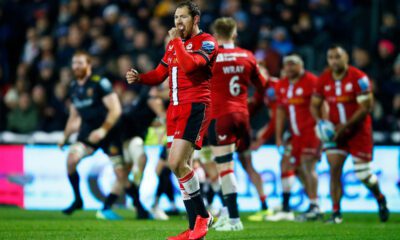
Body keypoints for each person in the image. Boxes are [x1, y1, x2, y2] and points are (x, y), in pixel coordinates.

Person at [126, 2, 218, 239]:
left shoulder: (207, 42)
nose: (178, 22)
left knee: (177, 162)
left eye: (183, 17)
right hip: (174, 110)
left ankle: (203, 216)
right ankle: (192, 229)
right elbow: (160, 73)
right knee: (180, 168)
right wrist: (140, 78)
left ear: (195, 18)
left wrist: (176, 41)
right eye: (176, 17)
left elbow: (190, 67)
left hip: (195, 106)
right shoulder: (174, 44)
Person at [59, 51, 149, 220]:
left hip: (109, 135)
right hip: (88, 135)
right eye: (74, 63)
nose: (76, 66)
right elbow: (74, 116)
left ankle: (139, 206)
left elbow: (116, 109)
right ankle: (78, 200)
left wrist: (103, 130)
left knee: (121, 175)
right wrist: (64, 137)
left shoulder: (101, 83)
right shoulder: (73, 87)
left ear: (89, 65)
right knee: (71, 161)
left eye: (80, 63)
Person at [310, 45, 390, 223]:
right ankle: (336, 213)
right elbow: (314, 104)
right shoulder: (323, 79)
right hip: (335, 133)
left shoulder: (359, 78)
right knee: (334, 170)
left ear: (346, 58)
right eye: (330, 57)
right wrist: (320, 122)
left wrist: (345, 126)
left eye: (337, 57)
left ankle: (380, 198)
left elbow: (366, 107)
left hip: (358, 131)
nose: (334, 60)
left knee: (363, 175)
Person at [208, 17, 267, 230]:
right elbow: (263, 85)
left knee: (225, 167)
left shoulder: (212, 57)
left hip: (221, 117)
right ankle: (226, 214)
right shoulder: (247, 56)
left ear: (215, 36)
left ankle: (234, 219)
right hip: (243, 117)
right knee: (236, 165)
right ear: (234, 34)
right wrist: (254, 106)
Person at [267, 54, 322, 222]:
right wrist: (278, 136)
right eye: (287, 65)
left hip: (312, 132)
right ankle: (310, 204)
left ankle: (314, 205)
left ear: (301, 66)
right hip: (294, 135)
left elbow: (322, 104)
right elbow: (281, 112)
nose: (289, 68)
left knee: (307, 165)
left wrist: (324, 126)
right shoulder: (282, 85)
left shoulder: (312, 81)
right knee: (289, 166)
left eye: (293, 65)